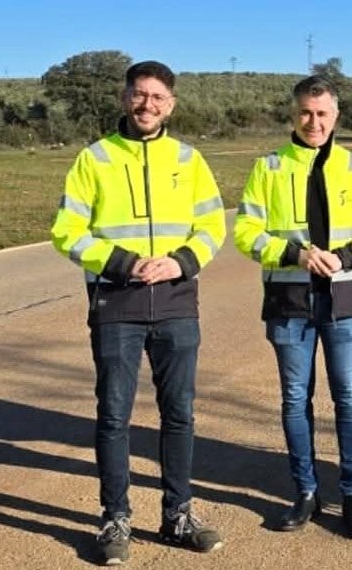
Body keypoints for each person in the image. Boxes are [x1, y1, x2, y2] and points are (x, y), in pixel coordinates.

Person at [50, 61, 226, 565]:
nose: (147, 105)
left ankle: (178, 516)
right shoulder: (95, 158)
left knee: (179, 415)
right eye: (139, 95)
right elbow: (68, 231)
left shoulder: (189, 159)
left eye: (157, 97)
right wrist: (125, 264)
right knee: (114, 416)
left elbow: (212, 225)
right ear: (125, 97)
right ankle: (116, 518)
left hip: (175, 301)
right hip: (116, 301)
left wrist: (179, 262)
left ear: (171, 104)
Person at [234, 75, 352, 539]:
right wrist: (296, 255)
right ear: (293, 113)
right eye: (306, 112)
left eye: (323, 113)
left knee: (349, 399)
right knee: (294, 399)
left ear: (336, 116)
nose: (314, 122)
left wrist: (344, 257)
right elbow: (246, 232)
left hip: (345, 300)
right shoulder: (268, 168)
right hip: (288, 301)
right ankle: (305, 492)